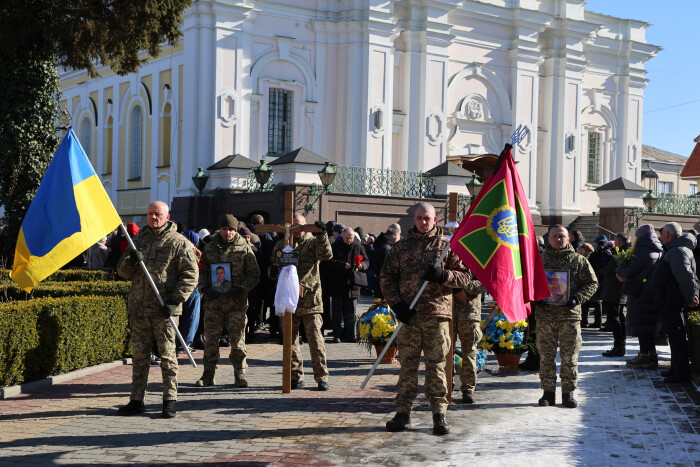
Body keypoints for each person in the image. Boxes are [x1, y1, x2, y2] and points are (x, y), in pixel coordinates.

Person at [381, 202, 471, 435]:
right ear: (414, 219)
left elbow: (465, 278)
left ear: (435, 219)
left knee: (436, 366)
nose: (424, 222)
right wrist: (397, 305)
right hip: (409, 316)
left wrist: (443, 275)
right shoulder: (401, 247)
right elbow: (387, 277)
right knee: (407, 366)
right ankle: (403, 412)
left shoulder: (447, 246)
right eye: (420, 218)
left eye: (428, 218)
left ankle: (439, 413)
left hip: (437, 316)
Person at [116, 201, 199, 418]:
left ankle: (169, 399)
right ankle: (136, 400)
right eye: (151, 214)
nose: (154, 218)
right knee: (140, 357)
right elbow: (122, 272)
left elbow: (191, 275)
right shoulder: (138, 241)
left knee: (168, 357)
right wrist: (131, 262)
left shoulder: (179, 242)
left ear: (167, 216)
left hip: (165, 311)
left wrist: (176, 301)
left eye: (158, 214)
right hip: (140, 309)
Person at [195, 214, 260, 388]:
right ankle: (208, 374)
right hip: (213, 303)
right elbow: (201, 272)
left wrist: (241, 288)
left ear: (235, 230)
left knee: (237, 340)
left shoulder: (244, 248)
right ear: (220, 229)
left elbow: (254, 274)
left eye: (231, 229)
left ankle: (239, 373)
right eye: (225, 229)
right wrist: (204, 289)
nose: (228, 232)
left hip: (236, 303)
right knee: (210, 340)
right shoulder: (209, 248)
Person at [537, 224, 597, 409]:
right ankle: (547, 393)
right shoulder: (538, 260)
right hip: (545, 317)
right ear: (548, 239)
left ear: (568, 238)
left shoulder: (578, 261)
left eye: (561, 236)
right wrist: (535, 298)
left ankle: (567, 393)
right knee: (546, 357)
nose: (558, 239)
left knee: (570, 357)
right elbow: (527, 282)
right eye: (554, 236)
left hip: (569, 317)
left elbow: (592, 283)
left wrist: (577, 299)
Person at [271, 214, 333, 390]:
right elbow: (274, 265)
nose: (297, 231)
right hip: (288, 299)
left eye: (300, 227)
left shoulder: (313, 242)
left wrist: (322, 234)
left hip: (310, 300)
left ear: (306, 227)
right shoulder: (282, 244)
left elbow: (326, 254)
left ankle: (322, 377)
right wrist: (275, 270)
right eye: (294, 227)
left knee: (315, 339)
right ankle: (295, 375)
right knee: (290, 341)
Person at [654, 222, 698, 383]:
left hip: (673, 301)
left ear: (667, 234)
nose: (660, 237)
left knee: (677, 337)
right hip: (670, 301)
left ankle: (680, 373)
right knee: (674, 337)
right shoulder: (676, 249)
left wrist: (689, 297)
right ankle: (675, 368)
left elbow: (686, 277)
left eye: (662, 234)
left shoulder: (677, 251)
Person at [616, 224, 663, 369]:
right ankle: (651, 355)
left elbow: (630, 270)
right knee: (650, 324)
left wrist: (619, 269)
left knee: (642, 324)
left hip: (641, 292)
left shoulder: (642, 250)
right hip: (652, 292)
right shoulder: (658, 249)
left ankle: (644, 355)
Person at [328, 227, 369, 342]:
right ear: (342, 236)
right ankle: (337, 334)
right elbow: (329, 262)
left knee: (351, 311)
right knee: (337, 313)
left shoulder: (358, 246)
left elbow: (366, 261)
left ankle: (350, 335)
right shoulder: (335, 246)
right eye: (346, 238)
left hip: (353, 285)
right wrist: (342, 265)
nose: (349, 240)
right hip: (338, 284)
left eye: (351, 238)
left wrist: (362, 266)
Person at [453, 279, 486, 404]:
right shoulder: (446, 259)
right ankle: (446, 385)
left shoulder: (475, 259)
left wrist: (461, 286)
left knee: (469, 352)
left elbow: (484, 283)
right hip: (446, 311)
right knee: (445, 350)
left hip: (469, 313)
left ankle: (468, 389)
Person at [600, 234, 630, 357]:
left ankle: (619, 347)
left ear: (618, 242)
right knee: (620, 317)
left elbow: (607, 269)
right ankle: (621, 346)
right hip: (619, 291)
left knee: (615, 318)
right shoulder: (627, 251)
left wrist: (603, 263)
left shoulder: (620, 253)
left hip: (614, 291)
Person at [177, 230, 202, 353]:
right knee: (191, 317)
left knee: (182, 317)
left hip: (180, 287)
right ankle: (185, 343)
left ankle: (181, 343)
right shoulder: (194, 252)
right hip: (192, 288)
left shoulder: (178, 248)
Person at [373, 227, 400, 299]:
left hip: (380, 283)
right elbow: (387, 268)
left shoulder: (382, 245)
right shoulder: (386, 249)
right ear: (395, 239)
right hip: (385, 286)